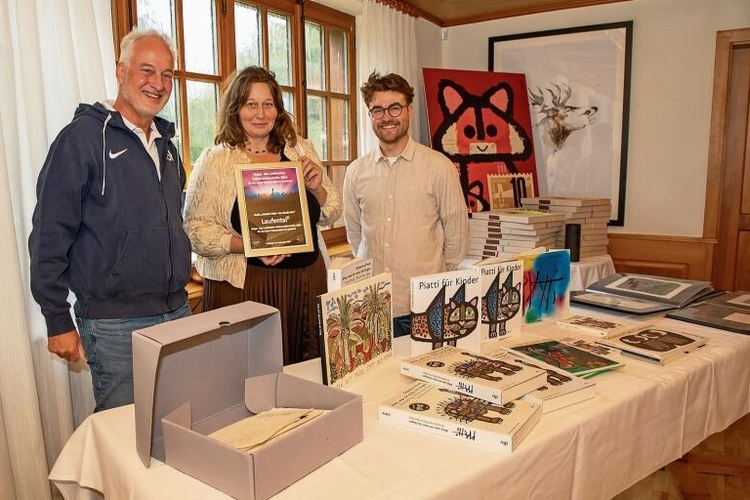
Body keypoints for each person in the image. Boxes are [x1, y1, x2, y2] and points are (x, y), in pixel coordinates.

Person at [28, 28, 192, 412]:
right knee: (124, 441)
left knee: (178, 427)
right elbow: (49, 234)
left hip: (178, 313)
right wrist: (57, 319)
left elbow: (169, 224)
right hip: (116, 327)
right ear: (121, 71)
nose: (158, 83)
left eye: (167, 74)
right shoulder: (82, 139)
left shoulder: (167, 146)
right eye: (147, 70)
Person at [183, 66, 342, 365]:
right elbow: (194, 230)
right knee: (246, 376)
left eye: (267, 104)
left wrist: (317, 187)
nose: (260, 113)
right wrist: (249, 245)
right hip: (243, 287)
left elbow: (332, 208)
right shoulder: (215, 160)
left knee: (304, 373)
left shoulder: (300, 150)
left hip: (304, 284)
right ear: (236, 108)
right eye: (250, 104)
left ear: (278, 109)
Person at [343, 71, 469, 337]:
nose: (387, 117)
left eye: (394, 108)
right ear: (370, 116)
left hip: (425, 308)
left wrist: (434, 288)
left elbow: (457, 237)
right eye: (378, 110)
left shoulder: (439, 167)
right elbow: (355, 236)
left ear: (409, 110)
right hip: (372, 308)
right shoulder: (356, 172)